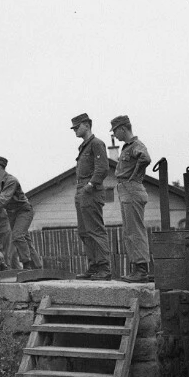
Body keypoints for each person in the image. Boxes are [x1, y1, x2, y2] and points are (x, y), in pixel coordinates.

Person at [71, 113, 112, 280]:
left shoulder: (96, 143)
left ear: (87, 125)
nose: (75, 130)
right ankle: (93, 266)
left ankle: (104, 267)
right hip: (81, 188)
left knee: (95, 230)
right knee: (84, 231)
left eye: (77, 127)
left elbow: (102, 168)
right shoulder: (83, 146)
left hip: (90, 189)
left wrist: (90, 185)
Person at [111, 115, 152, 283]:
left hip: (132, 189)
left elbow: (146, 158)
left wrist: (134, 176)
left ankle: (141, 270)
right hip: (127, 190)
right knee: (129, 231)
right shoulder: (127, 147)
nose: (115, 135)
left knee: (135, 230)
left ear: (122, 128)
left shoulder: (136, 145)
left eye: (115, 131)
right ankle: (136, 268)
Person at [0, 155, 38, 270]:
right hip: (11, 213)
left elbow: (3, 199)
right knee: (25, 241)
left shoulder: (11, 181)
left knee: (17, 236)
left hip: (23, 211)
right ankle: (38, 267)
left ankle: (26, 264)